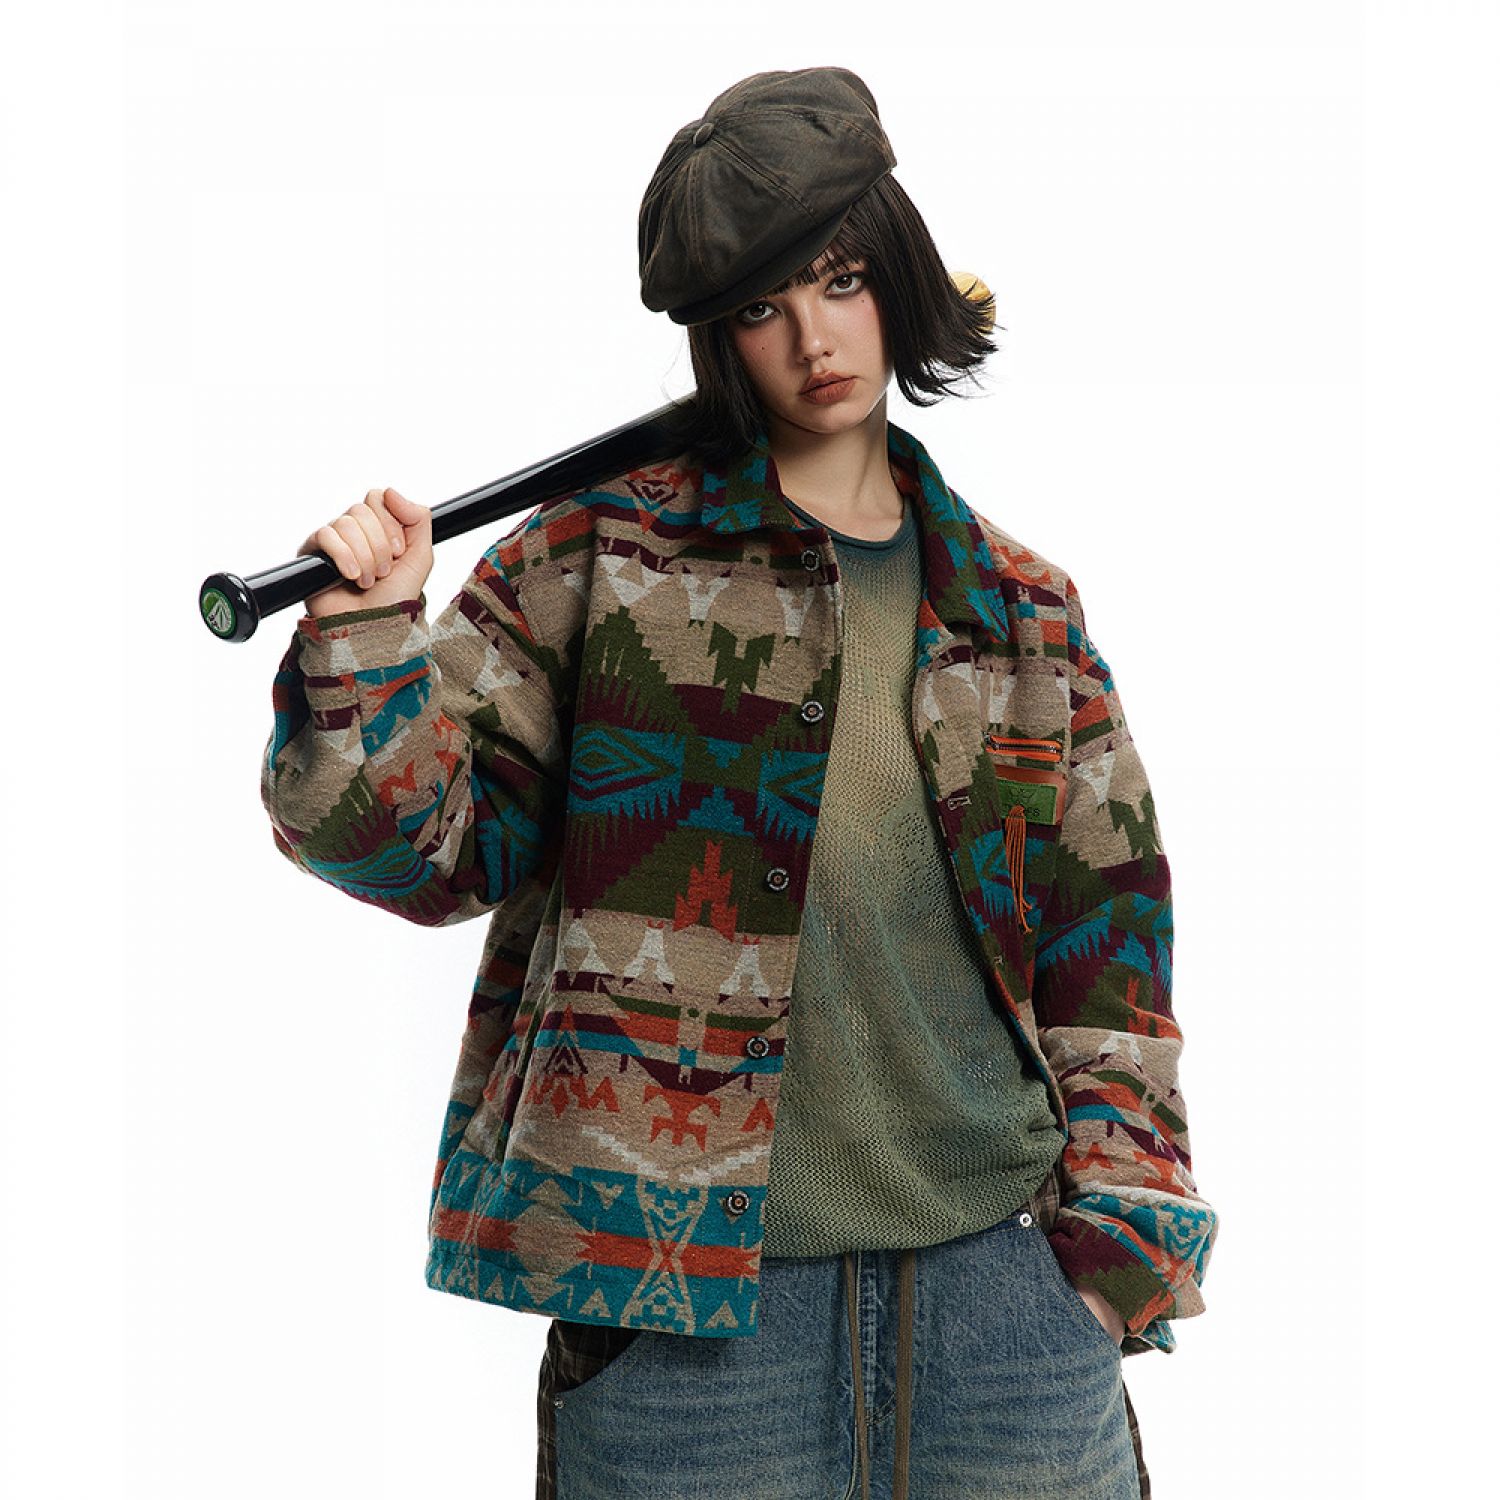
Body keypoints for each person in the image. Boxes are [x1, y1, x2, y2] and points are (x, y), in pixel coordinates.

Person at [261, 66, 1218, 1500]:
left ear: (898, 275)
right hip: (687, 1334)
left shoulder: (1021, 611)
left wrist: (1111, 1268)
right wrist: (365, 641)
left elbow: (1111, 948)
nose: (815, 340)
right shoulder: (598, 561)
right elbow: (421, 855)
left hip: (1006, 1321)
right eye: (765, 307)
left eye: (841, 281)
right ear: (719, 336)